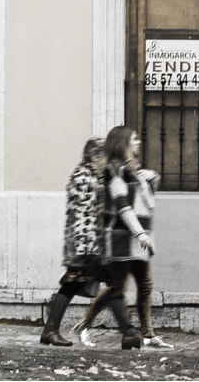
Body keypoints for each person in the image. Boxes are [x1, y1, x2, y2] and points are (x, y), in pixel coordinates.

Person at [73, 125, 159, 349]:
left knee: (145, 285)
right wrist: (140, 233)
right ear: (123, 144)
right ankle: (84, 325)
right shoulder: (114, 171)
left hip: (135, 238)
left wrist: (149, 177)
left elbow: (147, 200)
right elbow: (123, 206)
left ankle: (148, 335)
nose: (139, 142)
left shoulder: (131, 170)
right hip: (121, 239)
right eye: (134, 139)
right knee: (117, 288)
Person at [40, 137, 129, 347]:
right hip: (86, 247)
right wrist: (85, 249)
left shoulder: (93, 177)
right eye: (104, 157)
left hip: (90, 246)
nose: (106, 162)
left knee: (81, 285)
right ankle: (129, 332)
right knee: (81, 285)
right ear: (94, 157)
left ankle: (129, 332)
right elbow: (81, 217)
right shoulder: (83, 177)